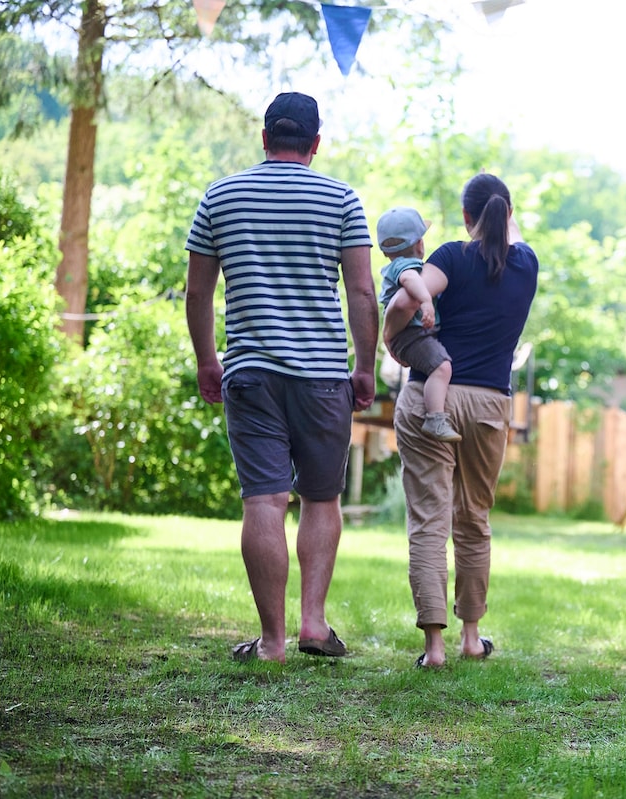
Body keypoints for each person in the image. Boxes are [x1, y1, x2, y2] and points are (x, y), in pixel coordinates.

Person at [185, 91, 378, 663]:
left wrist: (206, 359)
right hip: (322, 374)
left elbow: (199, 292)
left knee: (264, 503)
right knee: (321, 498)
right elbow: (362, 291)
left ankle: (271, 643)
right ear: (315, 144)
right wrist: (363, 368)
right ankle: (313, 625)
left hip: (249, 372)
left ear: (265, 139)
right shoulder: (341, 198)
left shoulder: (221, 195)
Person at [383, 173, 538, 669]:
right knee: (474, 521)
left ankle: (434, 649)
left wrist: (390, 337)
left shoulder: (448, 257)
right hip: (490, 403)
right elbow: (509, 239)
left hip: (435, 396)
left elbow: (407, 299)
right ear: (507, 213)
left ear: (467, 218)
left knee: (429, 522)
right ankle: (472, 637)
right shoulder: (527, 265)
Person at [376, 206, 461, 442]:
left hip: (409, 335)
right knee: (442, 367)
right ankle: (435, 418)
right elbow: (410, 280)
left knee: (439, 365)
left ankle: (435, 415)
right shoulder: (406, 267)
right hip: (410, 335)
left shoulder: (393, 265)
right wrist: (426, 301)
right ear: (421, 245)